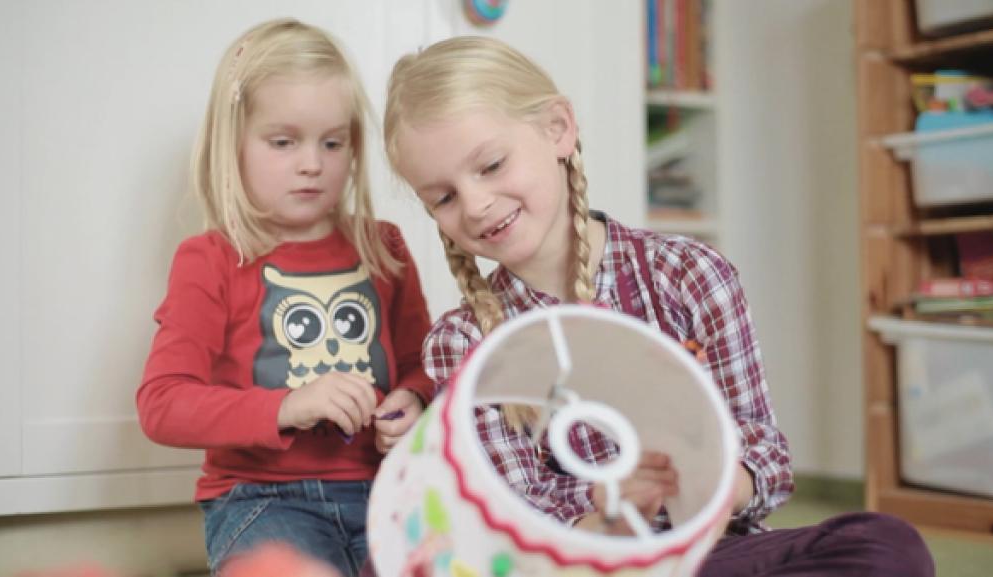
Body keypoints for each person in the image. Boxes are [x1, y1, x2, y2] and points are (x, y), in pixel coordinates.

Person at [382, 36, 935, 576]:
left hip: (712, 556)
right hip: (579, 563)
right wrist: (609, 514)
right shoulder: (462, 341)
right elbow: (516, 509)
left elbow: (764, 453)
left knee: (885, 545)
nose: (476, 204)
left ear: (558, 129)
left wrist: (713, 486)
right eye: (444, 198)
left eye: (491, 165)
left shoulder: (691, 275)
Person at [137, 18, 433, 577]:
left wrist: (414, 400)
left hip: (389, 490)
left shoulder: (384, 246)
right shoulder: (211, 259)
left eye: (333, 142)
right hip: (261, 499)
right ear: (233, 144)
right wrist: (287, 406)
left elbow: (425, 364)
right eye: (283, 142)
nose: (312, 163)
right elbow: (163, 404)